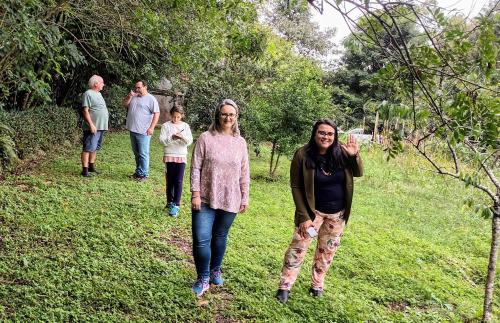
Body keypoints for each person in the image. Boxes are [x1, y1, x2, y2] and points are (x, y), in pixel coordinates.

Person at [276, 119, 363, 303]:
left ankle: (317, 284)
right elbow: (296, 186)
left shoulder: (342, 152)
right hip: (312, 213)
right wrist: (304, 216)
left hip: (337, 215)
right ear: (315, 134)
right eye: (322, 133)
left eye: (330, 134)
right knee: (298, 247)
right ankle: (285, 286)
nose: (326, 137)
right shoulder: (303, 154)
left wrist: (354, 155)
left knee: (326, 252)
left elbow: (358, 172)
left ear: (335, 136)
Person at [190, 99, 250, 297]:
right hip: (205, 198)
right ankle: (203, 277)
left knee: (220, 236)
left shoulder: (240, 143)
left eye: (231, 114)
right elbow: (196, 167)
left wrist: (245, 197)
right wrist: (195, 193)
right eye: (224, 114)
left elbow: (244, 172)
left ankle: (216, 269)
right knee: (201, 239)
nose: (228, 117)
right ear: (218, 115)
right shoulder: (206, 138)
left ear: (236, 117)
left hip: (230, 197)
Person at [159, 106, 193, 217]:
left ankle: (176, 205)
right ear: (170, 115)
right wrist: (172, 138)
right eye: (174, 116)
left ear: (182, 116)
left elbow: (189, 141)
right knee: (170, 180)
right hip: (169, 155)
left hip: (181, 156)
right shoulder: (165, 126)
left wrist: (182, 137)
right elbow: (162, 141)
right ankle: (169, 202)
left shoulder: (185, 126)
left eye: (178, 117)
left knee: (178, 181)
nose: (176, 119)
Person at [123, 80, 160, 181]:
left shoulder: (151, 99)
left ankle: (144, 174)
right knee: (136, 153)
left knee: (143, 153)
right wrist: (129, 96)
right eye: (136, 87)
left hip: (144, 131)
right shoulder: (133, 96)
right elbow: (124, 104)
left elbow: (157, 113)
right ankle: (138, 172)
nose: (137, 89)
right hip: (133, 129)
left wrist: (152, 127)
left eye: (139, 87)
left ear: (145, 87)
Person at [80, 75, 108, 177]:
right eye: (101, 82)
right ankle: (85, 170)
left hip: (100, 126)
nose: (103, 84)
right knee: (88, 148)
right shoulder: (88, 93)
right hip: (92, 127)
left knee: (95, 147)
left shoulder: (99, 94)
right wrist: (91, 125)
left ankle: (91, 166)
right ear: (96, 83)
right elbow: (85, 110)